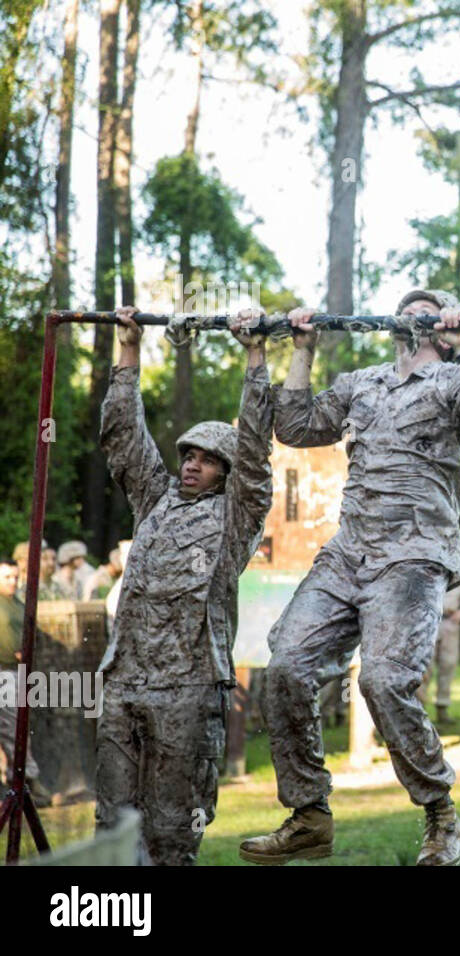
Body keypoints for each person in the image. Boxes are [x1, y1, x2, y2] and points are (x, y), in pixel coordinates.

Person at [239, 289, 460, 867]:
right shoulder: (363, 381)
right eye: (406, 304)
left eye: (428, 305)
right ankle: (309, 814)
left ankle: (440, 813)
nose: (412, 309)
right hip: (350, 551)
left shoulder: (456, 379)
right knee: (286, 664)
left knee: (384, 682)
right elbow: (297, 428)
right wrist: (302, 351)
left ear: (441, 325)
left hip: (413, 554)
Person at [95, 304, 274, 865]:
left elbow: (257, 462)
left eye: (208, 460)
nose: (193, 465)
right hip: (125, 677)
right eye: (188, 455)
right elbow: (125, 439)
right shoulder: (156, 498)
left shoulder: (236, 515)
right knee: (115, 823)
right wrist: (128, 349)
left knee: (173, 827)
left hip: (191, 686)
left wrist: (254, 355)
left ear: (227, 470)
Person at [0, 559, 49, 805]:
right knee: (12, 727)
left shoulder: (16, 603)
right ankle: (27, 779)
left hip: (16, 671)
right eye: (7, 577)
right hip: (4, 671)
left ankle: (23, 780)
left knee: (16, 726)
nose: (12, 581)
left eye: (15, 577)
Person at [424, 572, 460, 725]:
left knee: (448, 665)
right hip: (427, 621)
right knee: (424, 666)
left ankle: (442, 708)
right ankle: (419, 709)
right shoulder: (429, 568)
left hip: (450, 622)